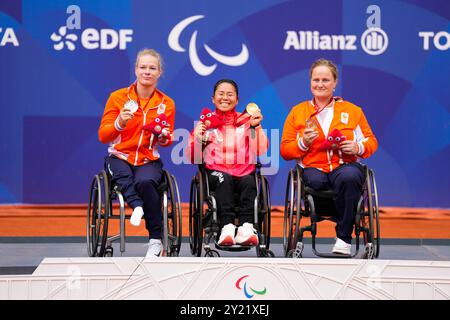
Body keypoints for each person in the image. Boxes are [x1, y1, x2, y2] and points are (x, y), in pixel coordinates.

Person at [280, 58, 378, 255]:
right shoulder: (298, 112)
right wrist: (303, 143)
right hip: (313, 168)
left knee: (349, 177)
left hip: (344, 166)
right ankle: (328, 211)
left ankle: (343, 238)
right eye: (316, 80)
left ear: (335, 83)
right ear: (310, 83)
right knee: (315, 180)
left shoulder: (352, 111)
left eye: (325, 80)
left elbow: (371, 142)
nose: (320, 84)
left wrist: (356, 147)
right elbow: (285, 150)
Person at [98, 48, 175, 258]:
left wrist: (164, 137)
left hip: (147, 158)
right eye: (143, 67)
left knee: (146, 182)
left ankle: (155, 240)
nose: (147, 72)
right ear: (136, 70)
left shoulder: (166, 104)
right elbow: (104, 136)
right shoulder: (118, 98)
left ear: (160, 72)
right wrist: (120, 122)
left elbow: (167, 139)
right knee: (122, 174)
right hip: (120, 155)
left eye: (152, 68)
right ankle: (137, 205)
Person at [187, 79, 269, 246]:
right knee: (224, 179)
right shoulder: (206, 123)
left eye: (230, 94)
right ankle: (227, 227)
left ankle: (246, 228)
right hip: (215, 172)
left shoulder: (247, 121)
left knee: (249, 181)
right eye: (221, 94)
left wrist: (256, 127)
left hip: (243, 172)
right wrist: (197, 138)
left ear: (237, 100)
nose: (225, 97)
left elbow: (260, 150)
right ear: (213, 98)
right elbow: (192, 157)